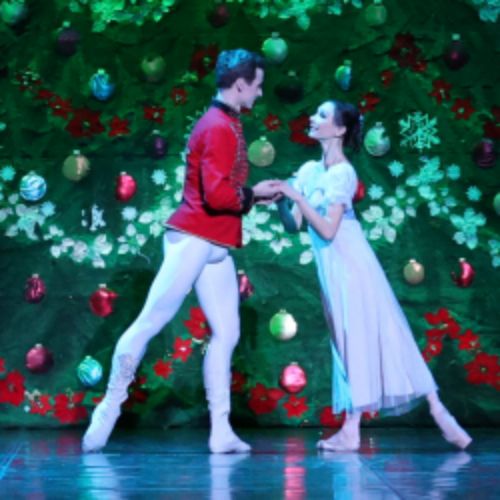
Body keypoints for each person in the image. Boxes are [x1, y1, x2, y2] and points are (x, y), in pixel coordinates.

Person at [82, 49, 281, 454]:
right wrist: (253, 194)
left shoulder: (227, 122)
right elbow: (216, 194)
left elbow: (223, 190)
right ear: (239, 84)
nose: (260, 93)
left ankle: (221, 429)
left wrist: (255, 197)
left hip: (215, 242)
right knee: (150, 321)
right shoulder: (217, 126)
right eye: (257, 86)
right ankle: (109, 407)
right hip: (194, 237)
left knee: (228, 332)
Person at [276, 100, 472, 451]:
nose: (313, 118)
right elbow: (295, 225)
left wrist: (296, 198)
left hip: (351, 263)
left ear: (339, 129)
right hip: (331, 268)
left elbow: (329, 230)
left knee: (375, 335)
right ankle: (353, 429)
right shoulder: (309, 171)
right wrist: (281, 200)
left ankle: (436, 410)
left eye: (322, 115)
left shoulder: (343, 174)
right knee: (346, 343)